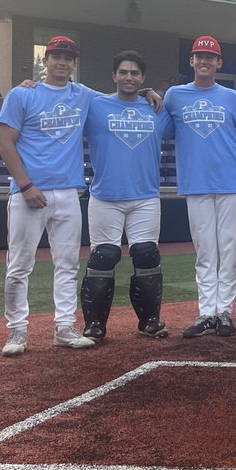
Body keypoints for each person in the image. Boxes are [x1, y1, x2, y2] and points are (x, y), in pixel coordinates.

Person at [0, 36, 96, 356]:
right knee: (19, 265)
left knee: (67, 265)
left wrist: (149, 91)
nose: (62, 62)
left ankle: (64, 327)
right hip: (28, 194)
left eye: (68, 57)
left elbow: (119, 96)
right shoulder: (23, 94)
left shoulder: (82, 94)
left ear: (74, 63)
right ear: (46, 60)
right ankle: (17, 331)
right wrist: (25, 185)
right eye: (56, 56)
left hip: (68, 192)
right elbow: (5, 143)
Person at [78, 50, 174, 341]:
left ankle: (150, 321)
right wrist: (30, 84)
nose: (129, 77)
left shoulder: (157, 110)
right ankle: (95, 324)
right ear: (114, 76)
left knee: (146, 253)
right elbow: (61, 92)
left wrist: (151, 93)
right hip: (105, 196)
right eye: (123, 72)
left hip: (145, 196)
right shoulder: (96, 105)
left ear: (143, 78)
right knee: (104, 257)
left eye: (135, 73)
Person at [164, 36, 236, 339]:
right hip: (196, 182)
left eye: (210, 57)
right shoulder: (174, 95)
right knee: (204, 251)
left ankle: (225, 311)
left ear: (219, 63)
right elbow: (163, 128)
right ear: (191, 62)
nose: (204, 61)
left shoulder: (232, 97)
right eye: (199, 56)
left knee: (228, 250)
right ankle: (206, 313)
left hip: (231, 181)